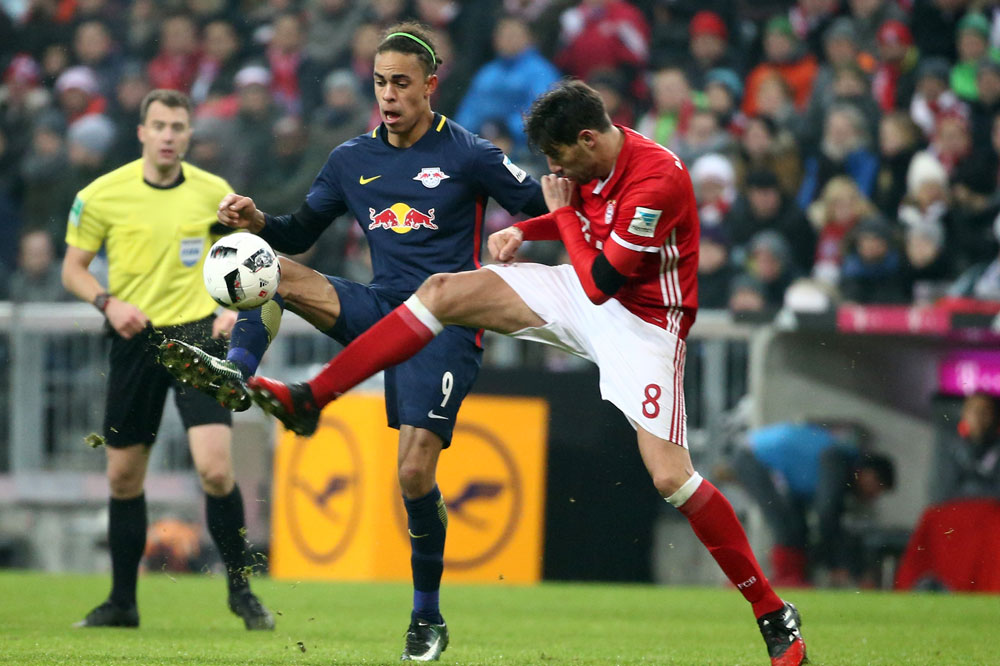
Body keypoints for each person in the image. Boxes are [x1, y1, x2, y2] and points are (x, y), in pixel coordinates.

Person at [244, 80, 808, 666]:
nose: (554, 172)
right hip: (584, 292)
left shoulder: (657, 180)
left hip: (644, 324)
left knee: (672, 478)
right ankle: (314, 396)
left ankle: (772, 611)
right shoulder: (593, 161)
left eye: (559, 159)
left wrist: (555, 216)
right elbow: (583, 224)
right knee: (441, 292)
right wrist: (527, 228)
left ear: (588, 140)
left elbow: (601, 280)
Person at [158, 23, 547, 661]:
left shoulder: (471, 153)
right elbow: (298, 232)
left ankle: (427, 616)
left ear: (430, 85)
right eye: (380, 82)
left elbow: (535, 202)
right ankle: (237, 371)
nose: (389, 95)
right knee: (264, 263)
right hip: (380, 309)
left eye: (401, 83)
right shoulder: (350, 159)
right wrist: (258, 221)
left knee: (413, 475)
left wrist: (537, 225)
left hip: (445, 324)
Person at [61, 89, 274, 631]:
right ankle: (122, 602)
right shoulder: (102, 194)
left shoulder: (213, 192)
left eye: (178, 127)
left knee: (215, 468)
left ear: (188, 134)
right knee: (123, 477)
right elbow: (73, 269)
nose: (168, 136)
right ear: (142, 132)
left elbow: (247, 257)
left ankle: (242, 593)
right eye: (159, 125)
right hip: (134, 337)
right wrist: (108, 302)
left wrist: (232, 309)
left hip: (199, 338)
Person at [723, 421, 896, 587]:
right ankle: (786, 577)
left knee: (796, 526)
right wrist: (837, 563)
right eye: (877, 489)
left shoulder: (839, 459)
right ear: (869, 474)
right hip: (754, 458)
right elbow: (827, 514)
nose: (873, 497)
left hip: (768, 461)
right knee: (785, 524)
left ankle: (793, 576)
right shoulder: (837, 461)